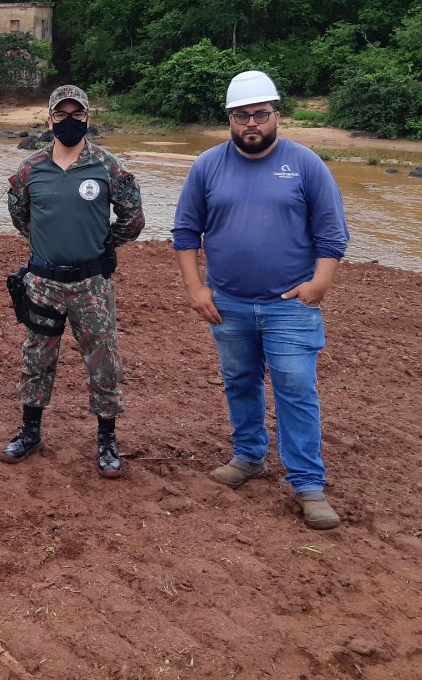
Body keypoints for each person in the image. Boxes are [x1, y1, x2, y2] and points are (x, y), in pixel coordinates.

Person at [171, 70, 349, 530]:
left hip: (290, 305)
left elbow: (332, 235)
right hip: (227, 302)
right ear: (229, 119)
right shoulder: (207, 166)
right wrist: (196, 289)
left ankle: (308, 484)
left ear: (276, 115)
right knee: (240, 381)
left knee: (296, 389)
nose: (252, 123)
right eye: (241, 115)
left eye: (260, 114)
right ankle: (248, 455)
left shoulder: (306, 164)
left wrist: (319, 285)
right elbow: (186, 233)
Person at [1, 84, 144, 477]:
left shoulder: (108, 166)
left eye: (76, 115)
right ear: (49, 121)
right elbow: (21, 218)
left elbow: (133, 219)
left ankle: (107, 440)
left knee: (103, 361)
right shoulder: (30, 168)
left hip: (91, 285)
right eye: (60, 115)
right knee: (37, 357)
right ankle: (30, 432)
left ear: (87, 119)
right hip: (43, 282)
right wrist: (49, 243)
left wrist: (102, 244)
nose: (68, 121)